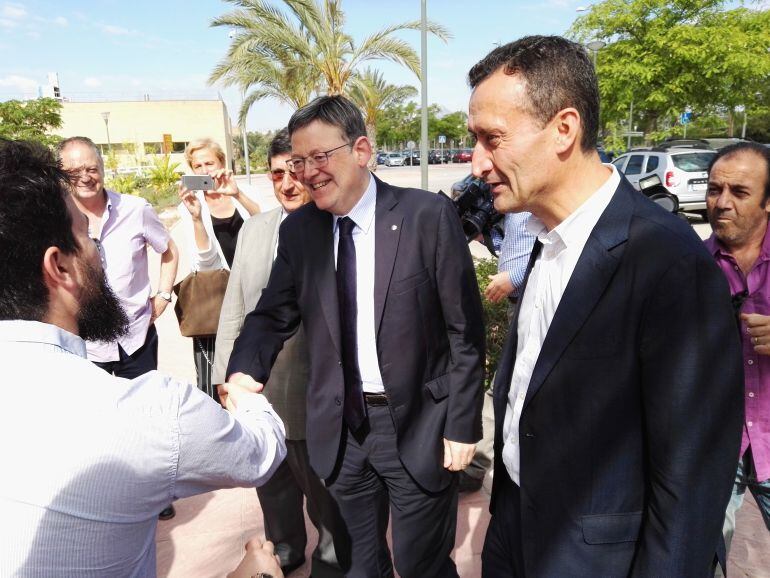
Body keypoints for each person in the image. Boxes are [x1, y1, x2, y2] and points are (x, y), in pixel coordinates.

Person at [467, 36, 743, 576]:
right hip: (515, 531)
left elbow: (690, 476)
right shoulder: (547, 236)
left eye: (492, 139)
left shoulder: (667, 260)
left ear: (564, 129)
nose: (477, 163)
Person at [225, 95, 485, 577]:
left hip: (418, 425)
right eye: (299, 161)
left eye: (319, 157)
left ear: (361, 150)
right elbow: (270, 313)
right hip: (341, 430)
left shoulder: (426, 216)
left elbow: (464, 332)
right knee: (358, 566)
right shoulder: (302, 230)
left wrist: (462, 423)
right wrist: (243, 370)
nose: (307, 173)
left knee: (421, 564)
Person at [0, 139, 286, 577]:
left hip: (135, 340)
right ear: (59, 268)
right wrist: (247, 397)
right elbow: (261, 453)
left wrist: (162, 292)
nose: (97, 249)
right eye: (85, 236)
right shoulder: (152, 411)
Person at [213, 129, 349, 578]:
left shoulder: (337, 226)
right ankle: (285, 552)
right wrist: (224, 376)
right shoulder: (254, 229)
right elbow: (235, 307)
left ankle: (331, 561)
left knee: (325, 496)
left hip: (317, 397)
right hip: (260, 396)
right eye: (277, 174)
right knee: (272, 490)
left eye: (295, 170)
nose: (288, 183)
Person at [56, 136, 179, 380]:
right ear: (61, 175)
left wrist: (164, 296)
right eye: (74, 171)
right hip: (83, 343)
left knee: (142, 411)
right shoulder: (56, 220)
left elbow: (169, 250)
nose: (85, 177)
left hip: (136, 337)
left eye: (92, 169)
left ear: (102, 169)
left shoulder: (136, 209)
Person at [704, 142, 770, 567]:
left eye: (740, 192)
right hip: (715, 445)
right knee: (700, 560)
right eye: (714, 190)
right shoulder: (690, 262)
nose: (722, 203)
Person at [178, 138, 261, 400]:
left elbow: (268, 224)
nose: (204, 170)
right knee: (214, 376)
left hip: (255, 292)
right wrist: (196, 218)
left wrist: (236, 194)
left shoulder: (242, 190)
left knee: (254, 371)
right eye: (197, 165)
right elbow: (205, 261)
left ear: (222, 163)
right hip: (217, 301)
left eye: (209, 162)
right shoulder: (191, 204)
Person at [462, 211, 535, 493]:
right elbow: (516, 246)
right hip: (517, 305)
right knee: (502, 388)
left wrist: (513, 277)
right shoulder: (514, 206)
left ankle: (478, 468)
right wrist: (488, 236)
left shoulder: (536, 202)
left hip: (529, 300)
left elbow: (553, 250)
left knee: (501, 389)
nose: (481, 168)